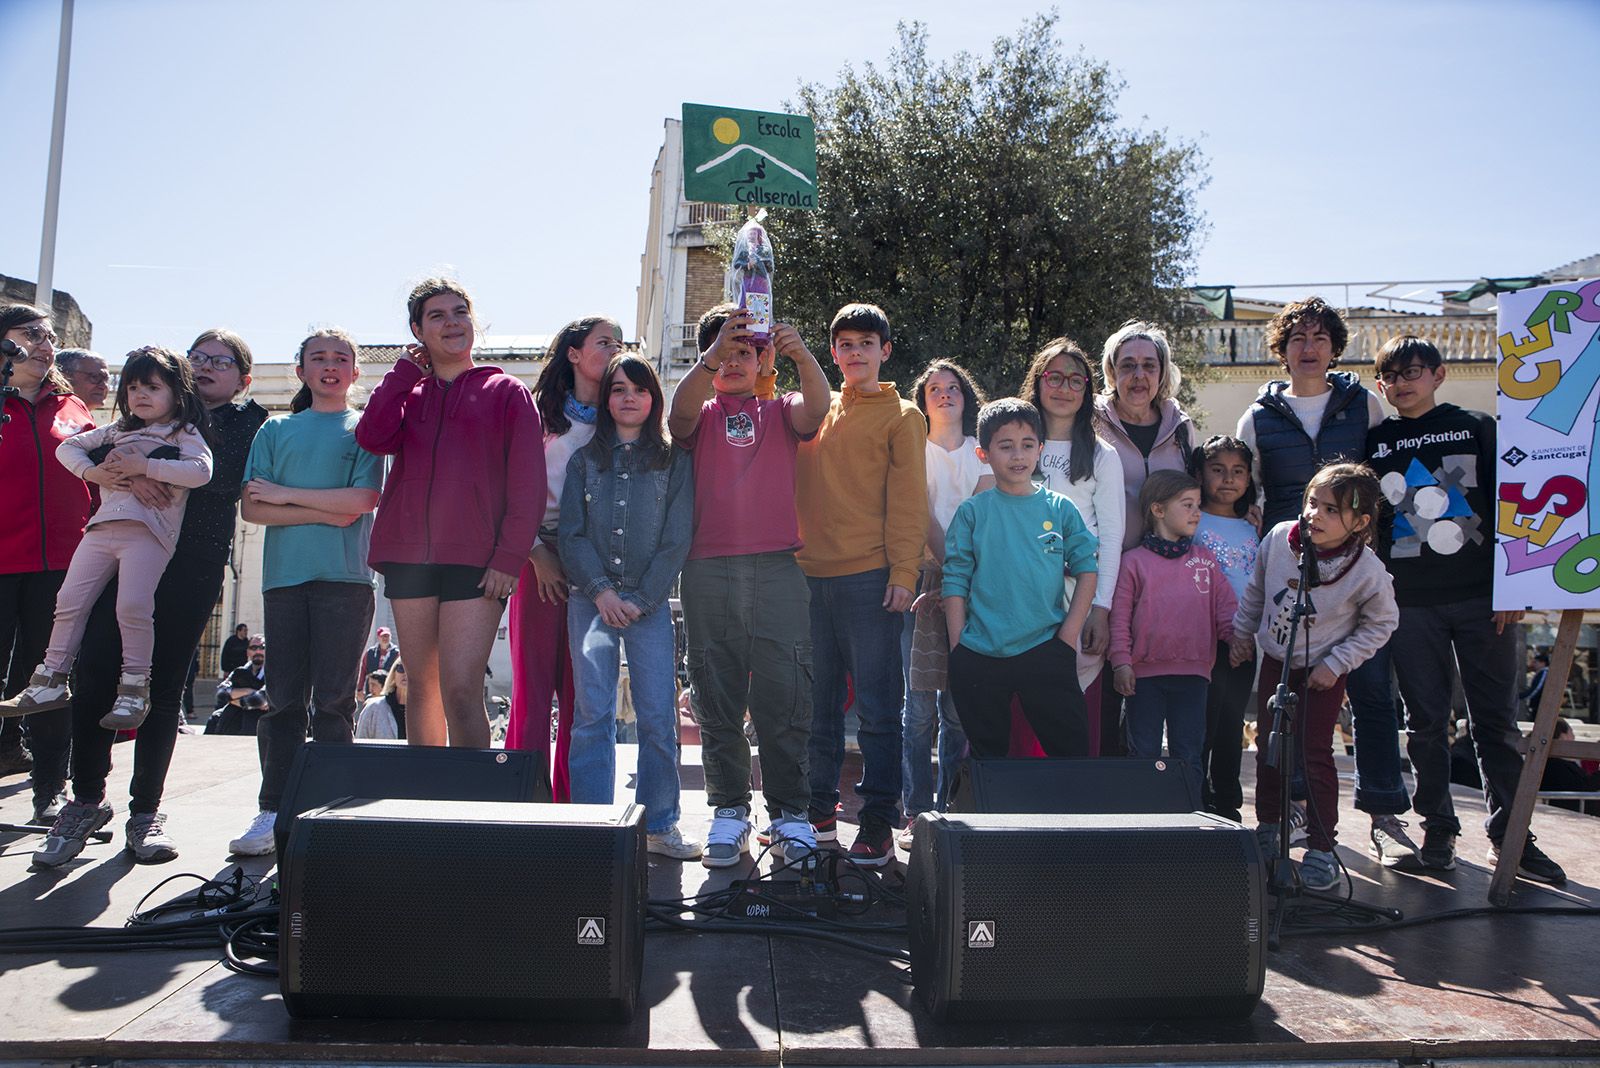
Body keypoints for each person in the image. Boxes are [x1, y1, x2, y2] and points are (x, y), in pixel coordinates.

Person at [38, 329, 267, 866]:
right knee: (95, 671)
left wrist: (143, 467)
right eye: (199, 358)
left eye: (223, 361)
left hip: (191, 563)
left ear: (242, 377)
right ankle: (86, 800)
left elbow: (222, 477)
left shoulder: (243, 422)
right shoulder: (139, 421)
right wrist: (131, 470)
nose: (209, 366)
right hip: (123, 548)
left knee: (161, 685)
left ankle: (146, 811)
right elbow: (95, 458)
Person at [1367, 334, 1567, 885]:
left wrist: (1515, 589)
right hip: (1409, 604)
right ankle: (1438, 826)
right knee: (1426, 723)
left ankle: (1514, 836)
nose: (1403, 384)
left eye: (1414, 372)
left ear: (1439, 374)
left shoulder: (1478, 426)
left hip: (1485, 601)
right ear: (1379, 385)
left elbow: (1514, 504)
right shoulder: (1375, 442)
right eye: (1391, 376)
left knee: (1496, 722)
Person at [1237, 297, 1413, 862]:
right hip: (1290, 568)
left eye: (1318, 337)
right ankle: (1289, 816)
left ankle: (1384, 815)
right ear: (1282, 349)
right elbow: (1254, 492)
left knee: (1373, 696)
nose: (1308, 347)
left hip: (1353, 574)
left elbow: (1387, 480)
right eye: (1297, 338)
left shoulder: (1365, 405)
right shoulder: (1257, 416)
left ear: (1334, 346)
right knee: (1287, 724)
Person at [668, 305, 831, 868]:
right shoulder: (703, 412)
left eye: (744, 352)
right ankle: (730, 811)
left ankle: (790, 815)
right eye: (721, 353)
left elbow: (818, 408)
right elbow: (677, 417)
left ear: (763, 359)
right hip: (708, 568)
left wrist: (801, 353)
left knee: (786, 695)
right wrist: (705, 360)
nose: (732, 362)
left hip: (778, 569)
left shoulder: (781, 410)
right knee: (716, 695)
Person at [356, 278, 543, 747]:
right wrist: (401, 373)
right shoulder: (408, 393)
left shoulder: (508, 392)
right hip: (408, 558)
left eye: (460, 311)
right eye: (437, 315)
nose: (452, 322)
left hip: (476, 562)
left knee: (461, 692)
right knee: (420, 688)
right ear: (418, 330)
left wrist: (508, 558)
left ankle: (472, 812)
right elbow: (372, 437)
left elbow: (528, 485)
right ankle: (426, 807)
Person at [228, 328, 381, 858]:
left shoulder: (365, 429)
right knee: (283, 703)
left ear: (356, 372)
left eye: (342, 357)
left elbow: (362, 500)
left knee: (335, 702)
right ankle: (274, 808)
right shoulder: (274, 431)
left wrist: (288, 496)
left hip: (348, 581)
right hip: (285, 582)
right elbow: (254, 508)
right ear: (301, 371)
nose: (331, 364)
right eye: (319, 357)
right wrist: (326, 508)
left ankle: (335, 810)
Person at [2, 347, 213, 731]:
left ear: (177, 393)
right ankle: (50, 677)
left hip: (148, 534)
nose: (140, 395)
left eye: (152, 386)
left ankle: (134, 687)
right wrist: (94, 474)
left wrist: (143, 466)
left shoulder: (184, 431)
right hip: (100, 529)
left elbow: (200, 472)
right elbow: (68, 448)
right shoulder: (118, 429)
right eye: (132, 387)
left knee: (132, 606)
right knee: (67, 600)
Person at [796, 303, 929, 866]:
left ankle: (877, 819)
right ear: (834, 353)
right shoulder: (817, 412)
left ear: (885, 351)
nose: (855, 352)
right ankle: (817, 815)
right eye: (845, 344)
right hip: (806, 580)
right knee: (816, 709)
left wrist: (904, 573)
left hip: (871, 578)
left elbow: (908, 502)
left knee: (878, 710)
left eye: (866, 343)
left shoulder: (902, 415)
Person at [1231, 463, 1398, 892]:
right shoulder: (1279, 540)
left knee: (1313, 753)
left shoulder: (1366, 570)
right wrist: (1242, 634)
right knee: (1270, 745)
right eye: (1312, 503)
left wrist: (1337, 662)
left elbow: (1382, 623)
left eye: (1331, 510)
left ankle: (1322, 848)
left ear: (1359, 522)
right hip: (1277, 662)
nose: (1314, 516)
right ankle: (1269, 828)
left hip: (1323, 671)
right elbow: (1255, 590)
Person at [558, 353, 699, 859]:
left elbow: (676, 539)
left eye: (639, 389)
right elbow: (570, 535)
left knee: (658, 714)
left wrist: (638, 598)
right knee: (592, 714)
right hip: (589, 603)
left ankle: (659, 824)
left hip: (651, 606)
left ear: (653, 399)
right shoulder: (583, 462)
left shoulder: (674, 461)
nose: (629, 398)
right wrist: (601, 591)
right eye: (618, 389)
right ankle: (594, 826)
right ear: (606, 399)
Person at [943, 398, 1098, 762]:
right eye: (1005, 445)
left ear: (1040, 450)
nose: (1018, 455)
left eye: (1027, 445)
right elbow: (955, 581)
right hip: (980, 653)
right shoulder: (972, 512)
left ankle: (1072, 820)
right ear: (984, 454)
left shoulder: (1060, 508)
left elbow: (1087, 570)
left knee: (1073, 753)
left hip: (1047, 647)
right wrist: (958, 649)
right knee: (988, 759)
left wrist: (1067, 638)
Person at [507, 316, 620, 799]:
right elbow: (508, 489)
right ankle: (522, 804)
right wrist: (535, 553)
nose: (614, 349)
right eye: (603, 342)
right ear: (573, 354)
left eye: (619, 342)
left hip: (600, 567)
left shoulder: (626, 414)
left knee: (586, 697)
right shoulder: (536, 416)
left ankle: (579, 808)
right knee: (533, 692)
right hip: (539, 561)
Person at [0, 304, 95, 822]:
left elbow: (94, 478)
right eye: (31, 333)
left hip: (61, 566)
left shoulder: (72, 407)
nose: (45, 342)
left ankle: (49, 793)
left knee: (50, 678)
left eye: (50, 334)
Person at [1017, 336, 1125, 754]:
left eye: (1075, 380)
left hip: (1079, 599)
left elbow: (1111, 538)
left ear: (1087, 391)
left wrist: (1101, 608)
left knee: (1070, 723)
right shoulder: (1017, 444)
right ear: (1038, 382)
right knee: (1022, 715)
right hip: (1021, 601)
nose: (1064, 388)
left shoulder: (1102, 456)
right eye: (1054, 377)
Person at [1091, 321, 1195, 756]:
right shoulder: (1092, 421)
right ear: (1112, 371)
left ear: (1162, 371)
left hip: (1162, 580)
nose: (1138, 376)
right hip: (1104, 572)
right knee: (1102, 681)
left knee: (1145, 688)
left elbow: (1198, 488)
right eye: (1127, 365)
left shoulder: (1182, 428)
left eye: (1148, 366)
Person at [898, 359, 989, 845]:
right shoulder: (913, 447)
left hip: (972, 585)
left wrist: (956, 577)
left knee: (956, 712)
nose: (946, 394)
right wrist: (942, 569)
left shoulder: (982, 451)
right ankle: (915, 812)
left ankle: (948, 808)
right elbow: (915, 511)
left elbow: (982, 513)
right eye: (935, 388)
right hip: (918, 580)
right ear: (923, 397)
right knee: (917, 710)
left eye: (954, 387)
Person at [1110, 469, 1236, 802]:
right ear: (1158, 509)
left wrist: (1239, 638)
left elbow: (1227, 610)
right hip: (1144, 678)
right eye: (1188, 504)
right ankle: (1144, 821)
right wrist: (1122, 662)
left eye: (1198, 505)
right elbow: (1119, 618)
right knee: (1144, 753)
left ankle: (1190, 818)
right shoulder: (1133, 562)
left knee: (1189, 754)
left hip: (1193, 676)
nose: (1197, 512)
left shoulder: (1205, 561)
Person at [1193, 435, 1260, 823]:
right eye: (1217, 470)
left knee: (1232, 720)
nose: (1228, 479)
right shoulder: (1192, 518)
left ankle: (1227, 802)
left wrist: (1245, 635)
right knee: (1202, 721)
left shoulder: (1255, 524)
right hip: (1203, 641)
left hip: (1244, 641)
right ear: (1200, 474)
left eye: (1238, 471)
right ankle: (1196, 797)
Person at [357, 660, 407, 740]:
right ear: (394, 674)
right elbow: (360, 746)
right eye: (401, 668)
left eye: (410, 669)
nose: (406, 673)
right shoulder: (373, 708)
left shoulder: (428, 712)